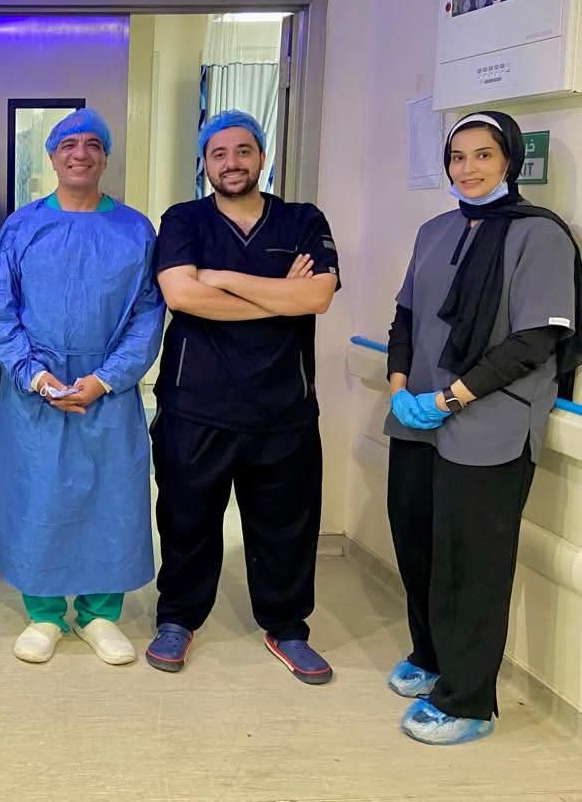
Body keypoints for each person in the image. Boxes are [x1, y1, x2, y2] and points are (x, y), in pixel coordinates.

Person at [384, 109, 580, 745]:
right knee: (417, 539)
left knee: (472, 562)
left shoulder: (540, 235)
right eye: (457, 156)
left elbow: (536, 339)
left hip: (491, 421)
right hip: (418, 416)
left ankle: (468, 701)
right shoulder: (434, 230)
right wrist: (400, 388)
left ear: (510, 160)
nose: (467, 169)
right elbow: (405, 316)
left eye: (483, 155)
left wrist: (451, 398)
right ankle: (431, 654)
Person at [146, 109, 339, 684]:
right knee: (187, 520)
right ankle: (178, 619)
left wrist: (223, 278)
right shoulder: (184, 219)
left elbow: (318, 298)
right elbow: (182, 296)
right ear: (204, 163)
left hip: (284, 407)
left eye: (243, 151)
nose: (231, 163)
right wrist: (281, 297)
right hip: (195, 404)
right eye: (219, 154)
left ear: (262, 156)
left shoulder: (303, 220)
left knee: (285, 526)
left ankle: (287, 627)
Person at [0, 108, 164, 665]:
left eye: (92, 144)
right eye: (68, 144)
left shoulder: (135, 230)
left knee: (110, 498)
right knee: (38, 497)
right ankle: (43, 613)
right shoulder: (22, 228)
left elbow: (147, 314)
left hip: (107, 390)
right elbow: (2, 314)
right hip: (35, 391)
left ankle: (99, 614)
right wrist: (35, 376)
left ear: (105, 156)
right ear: (52, 156)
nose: (80, 154)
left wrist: (106, 379)